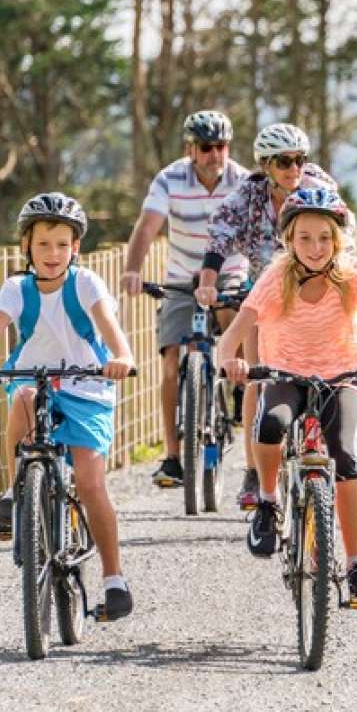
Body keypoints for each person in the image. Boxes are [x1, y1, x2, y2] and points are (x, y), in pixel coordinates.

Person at [0, 192, 138, 621]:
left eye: (62, 244)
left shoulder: (86, 283)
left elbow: (110, 326)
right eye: (43, 244)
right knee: (25, 398)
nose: (53, 254)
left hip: (87, 383)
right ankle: (18, 490)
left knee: (89, 482)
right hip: (31, 375)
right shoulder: (16, 288)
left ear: (76, 248)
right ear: (26, 248)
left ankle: (114, 579)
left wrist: (122, 358)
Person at [217, 187, 357, 606]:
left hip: (341, 376)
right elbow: (231, 336)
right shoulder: (275, 276)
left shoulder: (352, 273)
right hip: (287, 374)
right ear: (289, 239)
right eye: (305, 238)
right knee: (271, 424)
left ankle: (356, 566)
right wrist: (230, 360)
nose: (315, 247)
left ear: (337, 239)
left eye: (324, 238)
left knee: (345, 458)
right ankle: (268, 502)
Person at [196, 122, 353, 509]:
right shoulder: (249, 194)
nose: (293, 168)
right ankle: (254, 470)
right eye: (283, 161)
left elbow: (345, 234)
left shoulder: (319, 186)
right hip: (266, 293)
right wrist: (208, 280)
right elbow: (221, 235)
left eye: (299, 159)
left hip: (317, 292)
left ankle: (320, 451)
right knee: (256, 375)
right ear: (266, 164)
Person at [119, 110, 250, 489]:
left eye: (221, 146)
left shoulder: (241, 180)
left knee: (231, 322)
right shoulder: (170, 178)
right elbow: (148, 226)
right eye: (207, 147)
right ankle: (173, 457)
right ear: (191, 149)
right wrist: (133, 269)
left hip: (229, 271)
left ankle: (239, 385)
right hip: (180, 277)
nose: (215, 155)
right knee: (171, 362)